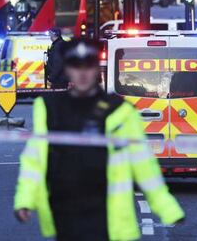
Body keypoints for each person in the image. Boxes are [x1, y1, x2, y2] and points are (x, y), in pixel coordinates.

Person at [14, 39, 185, 241]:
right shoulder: (49, 108)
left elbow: (143, 163)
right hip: (65, 210)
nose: (83, 72)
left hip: (106, 214)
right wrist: (24, 200)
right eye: (76, 66)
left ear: (97, 69)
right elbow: (35, 159)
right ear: (68, 70)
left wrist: (167, 207)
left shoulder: (120, 110)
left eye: (88, 65)